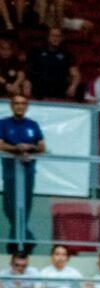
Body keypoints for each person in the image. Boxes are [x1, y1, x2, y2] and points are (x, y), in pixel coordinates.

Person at [0, 94, 44, 253]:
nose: (19, 106)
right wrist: (17, 149)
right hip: (11, 173)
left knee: (24, 208)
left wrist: (29, 148)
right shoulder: (3, 123)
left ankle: (17, 245)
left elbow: (41, 147)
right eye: (16, 103)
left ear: (27, 106)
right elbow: (1, 144)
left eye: (23, 103)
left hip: (28, 173)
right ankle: (27, 239)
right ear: (11, 106)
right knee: (9, 208)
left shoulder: (33, 125)